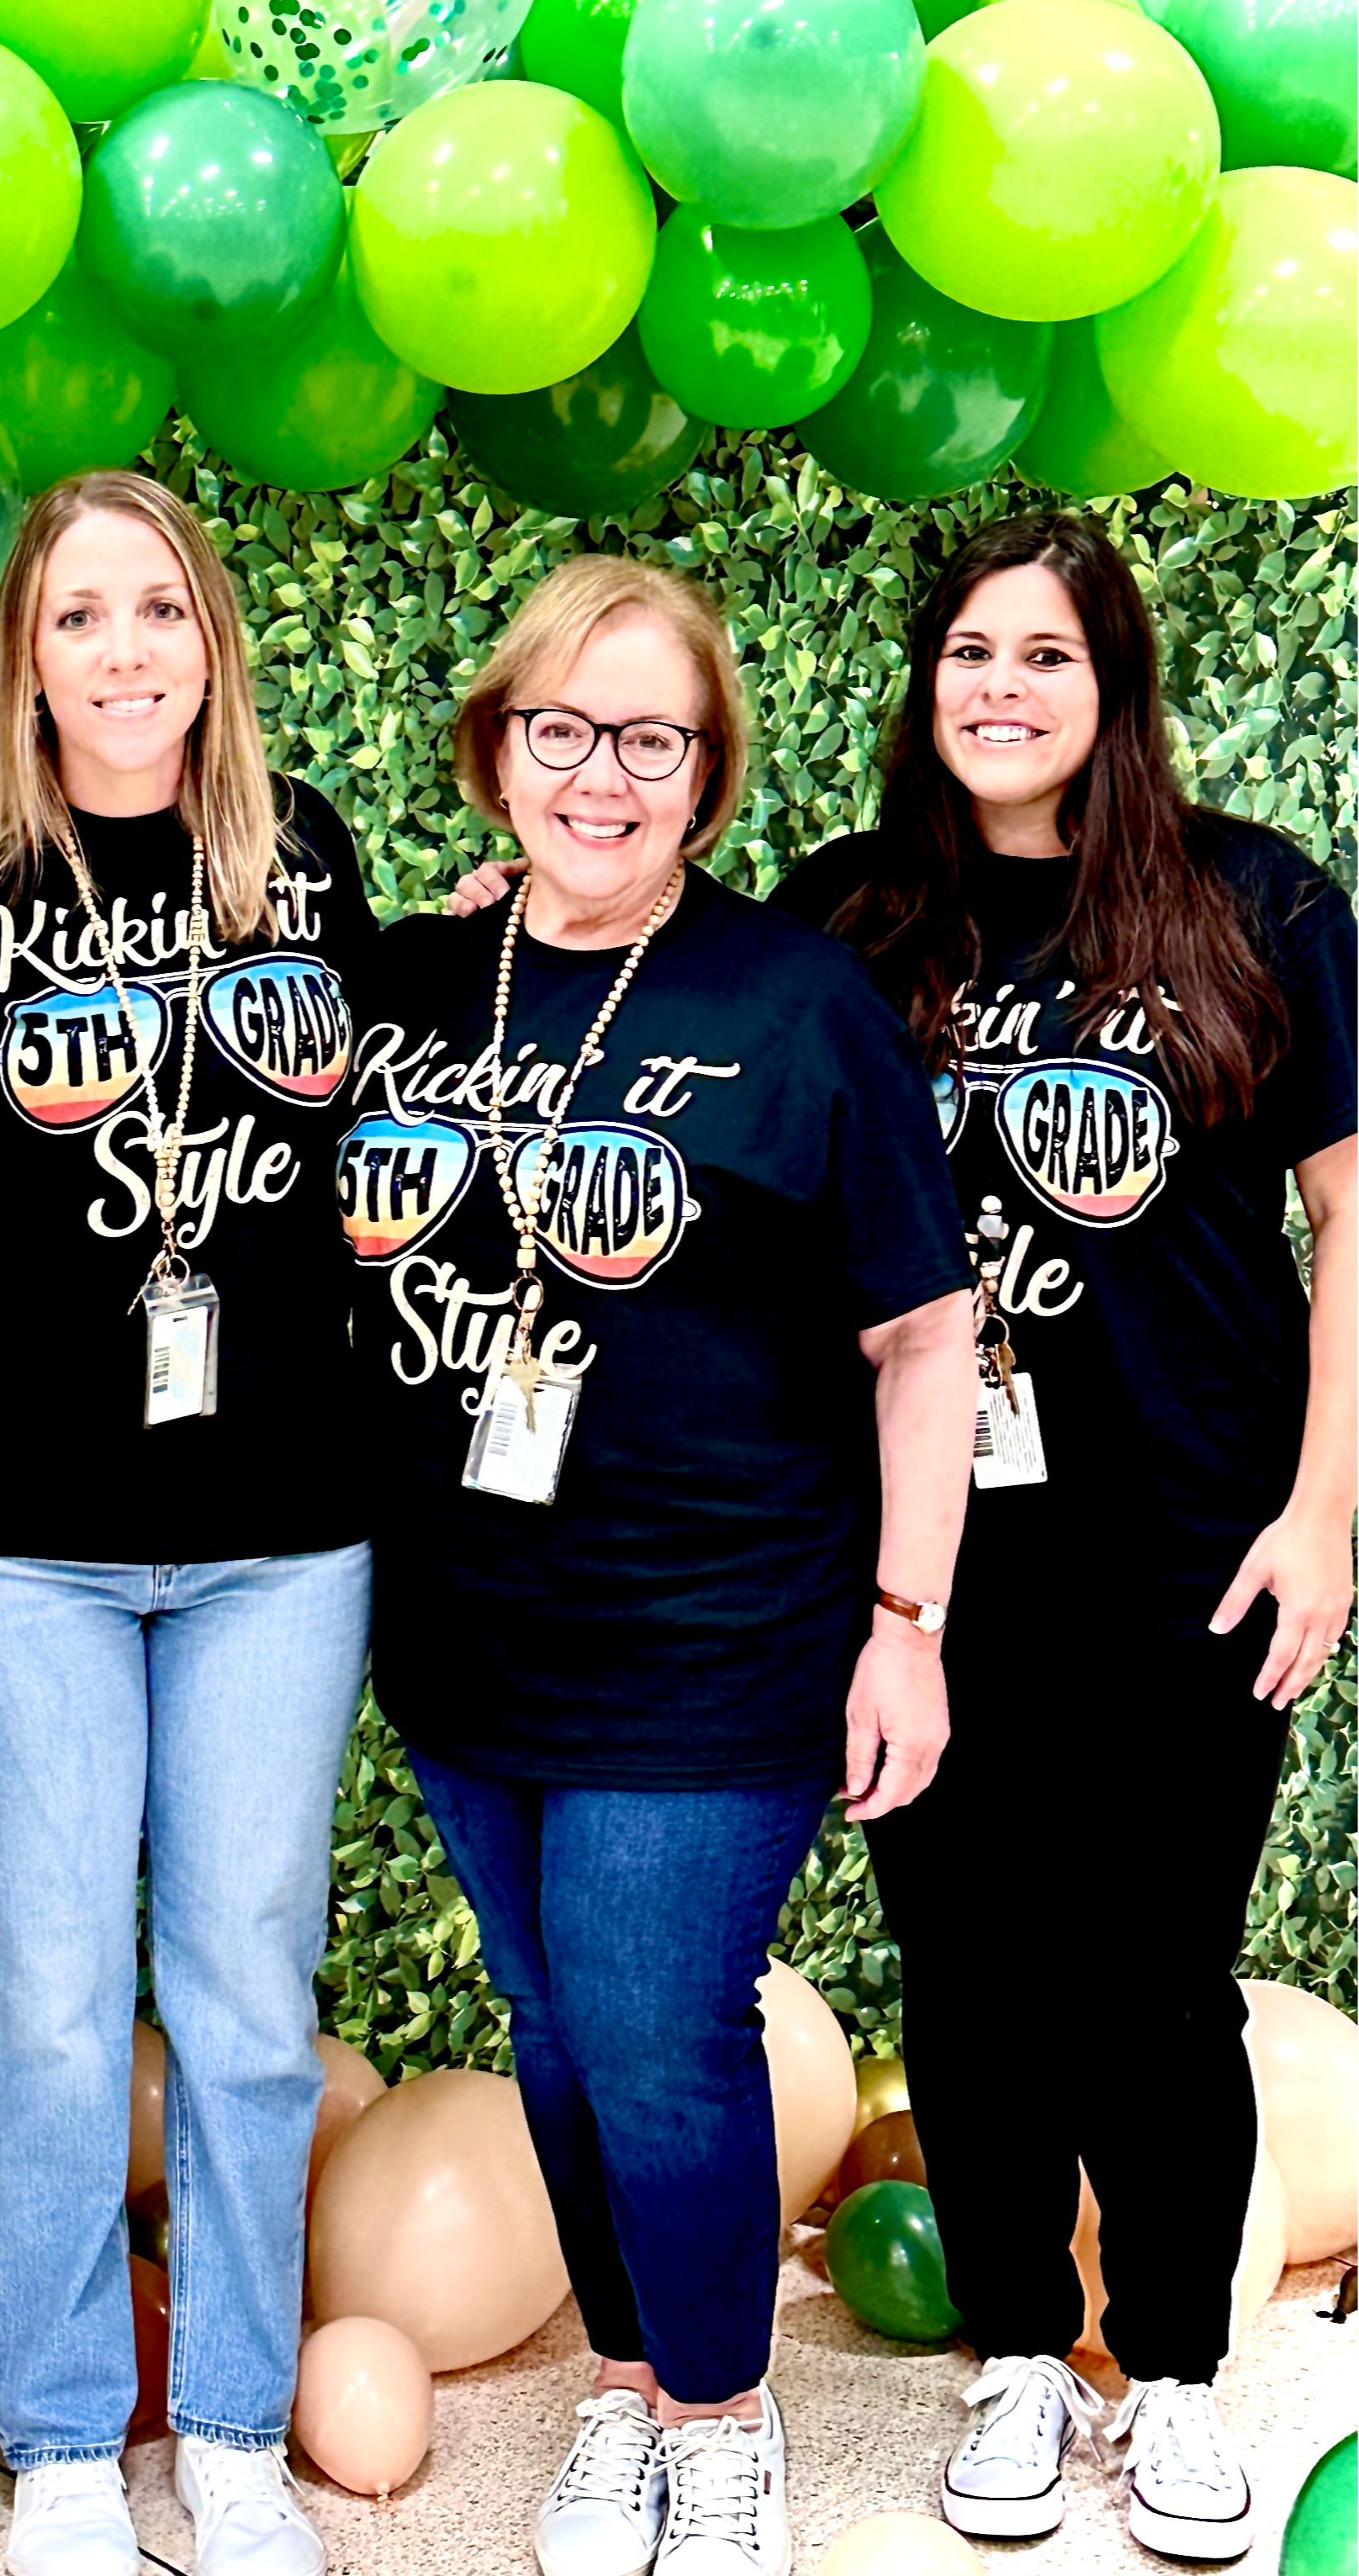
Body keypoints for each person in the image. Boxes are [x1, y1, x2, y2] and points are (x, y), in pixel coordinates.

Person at [363, 553, 976, 2576]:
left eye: (649, 738)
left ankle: (719, 2416)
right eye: (561, 729)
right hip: (466, 1635)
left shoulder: (792, 1005)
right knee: (552, 2023)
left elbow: (925, 1338)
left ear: (705, 773)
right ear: (497, 751)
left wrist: (908, 1624)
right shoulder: (412, 985)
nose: (598, 775)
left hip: (716, 1631)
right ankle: (629, 2384)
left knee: (656, 2029)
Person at [771, 511, 1356, 2563]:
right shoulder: (843, 922)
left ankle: (1181, 2377)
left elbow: (1352, 1219)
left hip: (1196, 1537)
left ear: (1111, 689)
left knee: (1162, 1979)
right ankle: (1020, 2351)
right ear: (922, 684)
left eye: (1046, 655)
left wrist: (1324, 1516)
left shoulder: (1249, 900)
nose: (1000, 688)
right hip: (927, 1560)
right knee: (971, 1967)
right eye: (968, 653)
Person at [0, 468, 378, 2576]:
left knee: (251, 1995)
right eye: (78, 616)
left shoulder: (308, 867)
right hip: (21, 1538)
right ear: (25, 658)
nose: (122, 654)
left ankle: (240, 2426)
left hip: (282, 1529)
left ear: (210, 643)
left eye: (157, 610)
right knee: (57, 1999)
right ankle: (72, 2438)